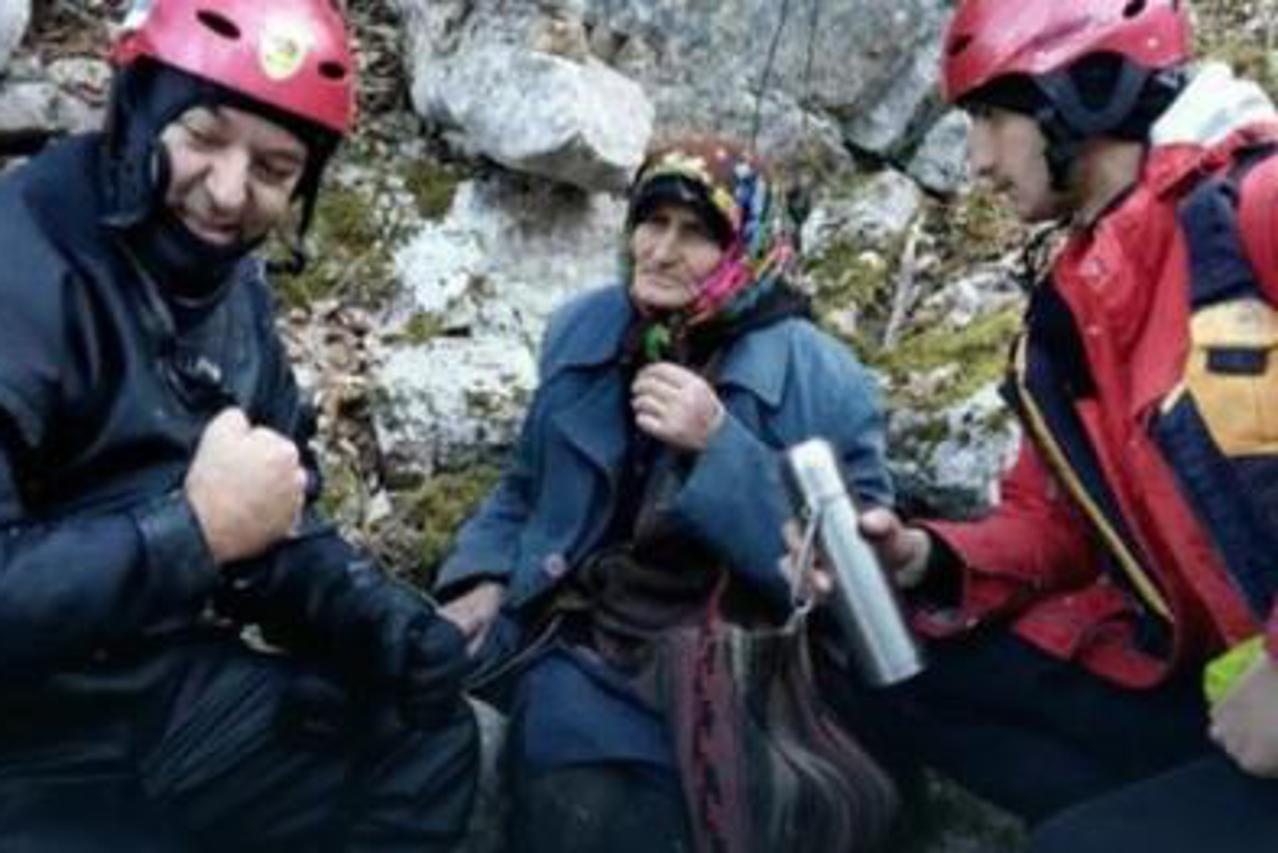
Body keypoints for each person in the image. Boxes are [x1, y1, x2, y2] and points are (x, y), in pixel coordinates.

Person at [0, 0, 477, 848]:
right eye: (204, 136)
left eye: (274, 167)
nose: (227, 191)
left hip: (156, 700)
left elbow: (272, 518)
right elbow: (220, 523)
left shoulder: (234, 294)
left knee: (424, 735)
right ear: (136, 109)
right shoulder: (20, 267)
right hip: (24, 739)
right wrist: (189, 534)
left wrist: (371, 616)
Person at [824, 1, 1278, 850]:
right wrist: (922, 557)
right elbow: (1057, 524)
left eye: (993, 117)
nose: (977, 160)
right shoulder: (1076, 309)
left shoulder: (1257, 204)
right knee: (884, 663)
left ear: (1085, 88)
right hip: (1230, 693)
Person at [437, 136, 898, 853]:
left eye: (695, 234)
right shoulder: (585, 329)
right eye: (651, 222)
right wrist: (482, 575)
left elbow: (856, 586)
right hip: (577, 625)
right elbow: (525, 482)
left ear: (749, 248)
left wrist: (718, 447)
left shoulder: (829, 383)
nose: (660, 251)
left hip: (729, 651)